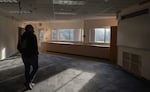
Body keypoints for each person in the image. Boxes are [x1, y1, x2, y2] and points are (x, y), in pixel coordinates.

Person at [17, 24, 39, 90]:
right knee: (35, 68)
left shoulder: (22, 36)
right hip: (32, 56)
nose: (33, 29)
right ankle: (29, 82)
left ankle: (27, 81)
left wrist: (23, 52)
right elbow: (35, 47)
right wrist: (36, 54)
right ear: (29, 29)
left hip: (24, 56)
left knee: (27, 69)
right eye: (32, 28)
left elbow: (18, 47)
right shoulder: (33, 36)